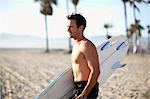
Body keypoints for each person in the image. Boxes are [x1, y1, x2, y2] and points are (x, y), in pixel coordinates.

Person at [67, 13, 100, 99]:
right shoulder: (75, 46)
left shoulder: (87, 45)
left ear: (81, 28)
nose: (68, 30)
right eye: (68, 27)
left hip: (87, 88)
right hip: (78, 88)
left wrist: (84, 93)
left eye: (71, 27)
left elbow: (95, 71)